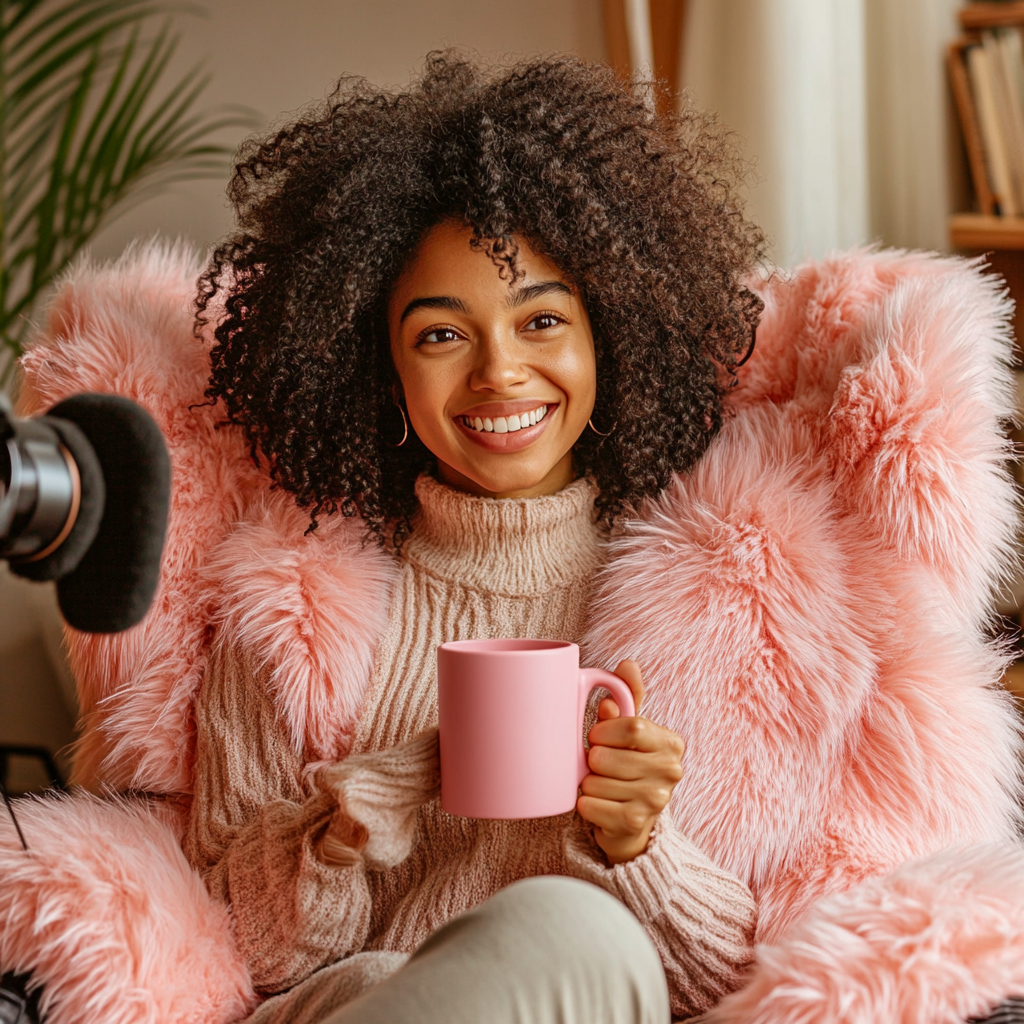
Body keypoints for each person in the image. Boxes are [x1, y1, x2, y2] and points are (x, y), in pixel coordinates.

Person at [188, 51, 766, 1023]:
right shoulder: (291, 605)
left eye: (541, 318)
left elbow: (745, 985)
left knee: (579, 934)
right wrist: (362, 809)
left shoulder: (708, 597)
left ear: (608, 336)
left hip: (595, 993)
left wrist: (639, 847)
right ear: (381, 372)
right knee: (379, 980)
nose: (501, 372)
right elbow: (230, 947)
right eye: (441, 335)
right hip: (350, 1005)